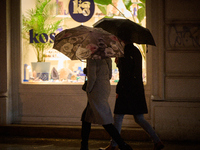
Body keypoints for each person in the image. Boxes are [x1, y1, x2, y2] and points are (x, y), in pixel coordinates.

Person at [99, 30, 164, 150]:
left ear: (122, 39)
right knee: (139, 118)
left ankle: (113, 145)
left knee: (118, 117)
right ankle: (157, 141)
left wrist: (119, 88)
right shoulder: (136, 51)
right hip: (136, 91)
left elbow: (125, 74)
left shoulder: (124, 52)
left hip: (126, 90)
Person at [80, 58, 133, 150]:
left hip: (95, 90)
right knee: (86, 118)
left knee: (104, 119)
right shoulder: (106, 57)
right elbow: (109, 75)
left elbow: (92, 77)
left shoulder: (92, 58)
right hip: (104, 87)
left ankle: (122, 145)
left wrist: (88, 89)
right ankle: (84, 145)